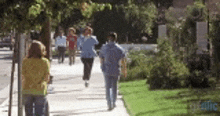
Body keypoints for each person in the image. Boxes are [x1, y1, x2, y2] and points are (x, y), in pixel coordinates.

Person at [99, 32, 127, 111]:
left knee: (108, 87)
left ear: (109, 38)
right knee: (114, 86)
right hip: (115, 69)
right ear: (116, 38)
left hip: (107, 69)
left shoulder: (104, 47)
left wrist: (102, 66)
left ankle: (109, 103)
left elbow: (101, 58)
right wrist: (124, 69)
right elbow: (123, 60)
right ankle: (113, 102)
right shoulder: (119, 48)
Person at [22, 40, 50, 116]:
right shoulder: (45, 62)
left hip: (27, 89)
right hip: (40, 89)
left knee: (28, 113)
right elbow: (46, 77)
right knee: (40, 113)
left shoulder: (25, 61)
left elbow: (23, 76)